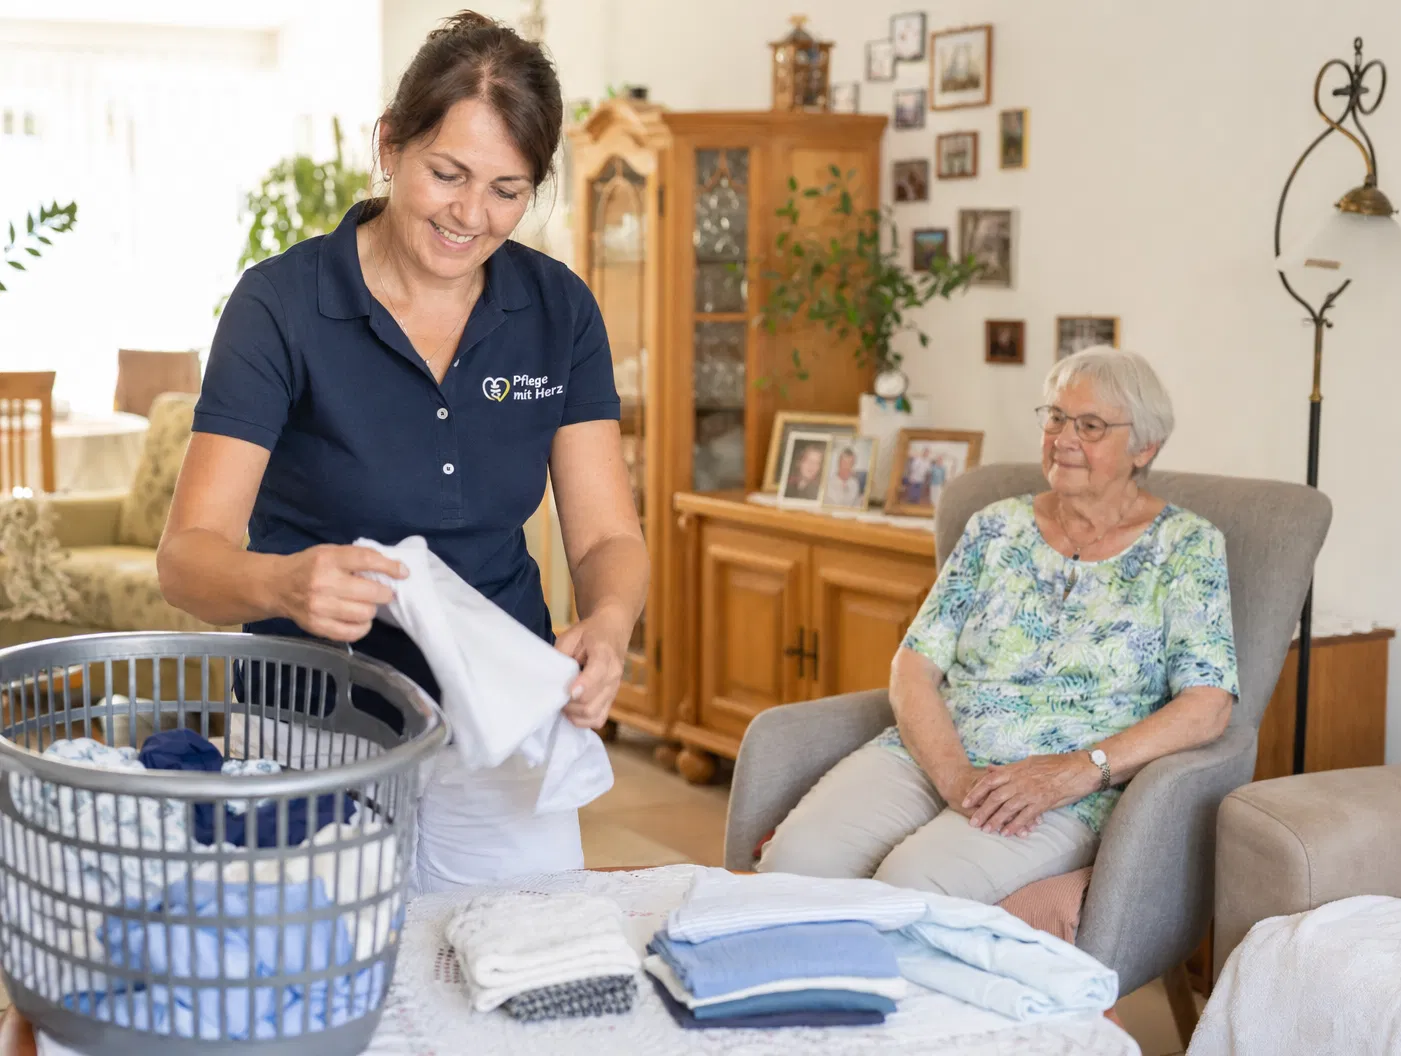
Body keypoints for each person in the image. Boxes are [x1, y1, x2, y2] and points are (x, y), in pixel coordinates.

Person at [156, 11, 648, 892]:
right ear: (389, 145)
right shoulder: (281, 306)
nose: (472, 215)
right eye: (447, 174)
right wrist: (281, 582)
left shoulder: (558, 309)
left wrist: (608, 626)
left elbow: (608, 538)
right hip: (313, 726)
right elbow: (187, 561)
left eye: (507, 188)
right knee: (320, 990)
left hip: (500, 720)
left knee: (519, 979)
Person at [757, 347, 1238, 903]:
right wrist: (952, 775)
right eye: (1055, 417)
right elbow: (913, 666)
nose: (1062, 438)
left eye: (1090, 425)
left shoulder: (1186, 547)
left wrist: (1080, 771)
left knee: (913, 888)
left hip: (1059, 789)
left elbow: (1208, 705)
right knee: (794, 863)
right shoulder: (996, 527)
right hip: (935, 757)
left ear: (1144, 447)